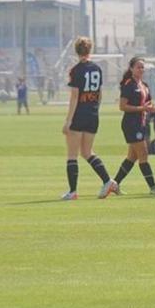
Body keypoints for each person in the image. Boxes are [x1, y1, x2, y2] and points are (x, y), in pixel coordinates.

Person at [61, 37, 117, 200]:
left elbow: (75, 97)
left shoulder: (76, 70)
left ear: (76, 51)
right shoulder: (97, 69)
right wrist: (94, 110)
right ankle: (108, 181)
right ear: (90, 50)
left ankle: (72, 192)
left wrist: (68, 121)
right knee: (87, 152)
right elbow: (99, 94)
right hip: (93, 114)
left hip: (79, 114)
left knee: (72, 154)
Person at [112, 57, 155, 193]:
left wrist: (153, 108)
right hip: (131, 124)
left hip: (142, 123)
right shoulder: (129, 84)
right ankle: (153, 187)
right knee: (143, 154)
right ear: (131, 68)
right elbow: (122, 106)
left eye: (142, 67)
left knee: (132, 157)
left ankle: (114, 185)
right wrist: (142, 108)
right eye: (138, 67)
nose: (141, 69)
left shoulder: (144, 85)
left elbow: (148, 104)